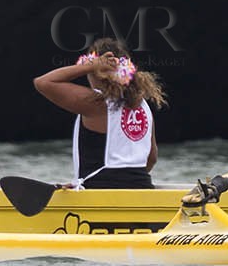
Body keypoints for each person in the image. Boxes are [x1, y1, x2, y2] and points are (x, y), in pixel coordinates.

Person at [34, 38, 166, 189]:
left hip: (102, 190)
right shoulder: (142, 105)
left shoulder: (97, 103)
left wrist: (89, 66)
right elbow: (151, 157)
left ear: (95, 73)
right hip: (142, 188)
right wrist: (130, 183)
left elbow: (43, 83)